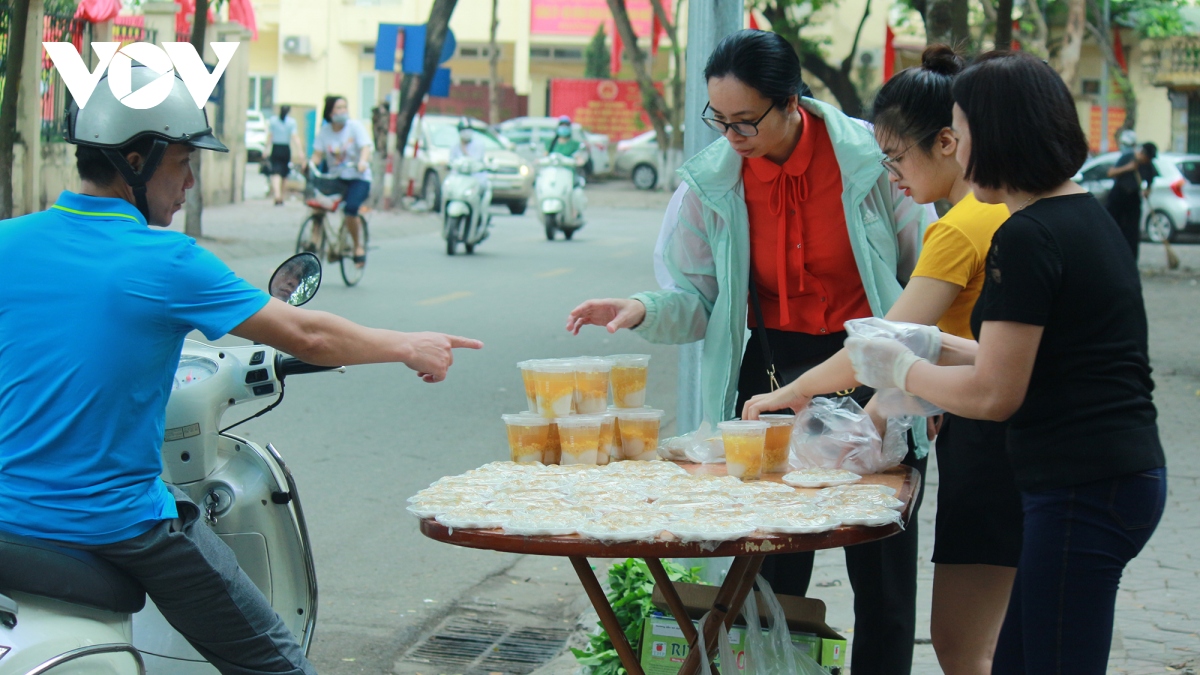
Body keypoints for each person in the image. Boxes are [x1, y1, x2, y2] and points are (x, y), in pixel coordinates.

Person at [0, 66, 483, 675]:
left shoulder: (7, 242)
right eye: (181, 163)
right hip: (112, 521)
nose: (191, 183)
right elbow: (306, 332)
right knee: (276, 662)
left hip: (6, 514)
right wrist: (409, 345)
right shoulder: (166, 261)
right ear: (136, 160)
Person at [566, 29, 931, 674]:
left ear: (792, 102)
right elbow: (701, 299)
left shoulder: (870, 163)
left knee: (882, 572)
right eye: (720, 120)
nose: (730, 136)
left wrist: (917, 386)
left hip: (873, 371)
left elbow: (922, 282)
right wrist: (643, 308)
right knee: (767, 568)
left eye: (745, 121)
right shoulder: (713, 183)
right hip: (769, 380)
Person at [843, 52, 1166, 673]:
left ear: (997, 139)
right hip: (1109, 477)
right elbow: (1031, 358)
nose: (958, 156)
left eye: (960, 139)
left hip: (1085, 485)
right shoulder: (1080, 214)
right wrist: (936, 347)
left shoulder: (1027, 235)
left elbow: (995, 395)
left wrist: (900, 370)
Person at [743, 46, 1021, 675]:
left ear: (949, 143)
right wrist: (886, 406)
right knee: (1000, 639)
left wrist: (789, 396)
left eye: (895, 159)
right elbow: (949, 349)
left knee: (964, 645)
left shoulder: (958, 229)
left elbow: (883, 345)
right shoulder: (1002, 214)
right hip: (1012, 438)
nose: (890, 176)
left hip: (993, 448)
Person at [309, 95, 372, 267]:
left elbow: (365, 147)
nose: (343, 111)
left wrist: (362, 161)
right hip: (336, 178)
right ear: (330, 112)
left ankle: (358, 247)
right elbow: (317, 155)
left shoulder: (355, 127)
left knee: (351, 209)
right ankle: (314, 240)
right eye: (338, 108)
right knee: (317, 202)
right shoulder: (325, 131)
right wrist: (309, 165)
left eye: (345, 107)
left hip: (358, 178)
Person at [1106, 141, 1159, 260]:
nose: (1148, 160)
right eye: (1147, 157)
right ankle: (1112, 257)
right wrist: (1128, 168)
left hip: (1133, 198)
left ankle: (1131, 260)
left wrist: (1147, 191)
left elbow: (1150, 182)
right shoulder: (1127, 157)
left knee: (1132, 232)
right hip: (1118, 196)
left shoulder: (1149, 166)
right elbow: (1110, 172)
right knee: (1113, 227)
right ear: (1142, 153)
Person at [449, 117, 492, 207]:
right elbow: (452, 162)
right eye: (463, 130)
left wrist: (465, 151)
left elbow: (475, 161)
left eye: (468, 129)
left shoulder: (478, 145)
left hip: (476, 177)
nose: (466, 132)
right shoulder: (455, 146)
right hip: (460, 178)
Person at [267, 104, 301, 206]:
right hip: (286, 149)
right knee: (284, 174)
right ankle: (281, 195)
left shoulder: (273, 121)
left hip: (276, 148)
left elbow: (270, 136)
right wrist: (300, 150)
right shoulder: (291, 122)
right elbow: (295, 137)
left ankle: (277, 195)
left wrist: (266, 149)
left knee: (275, 172)